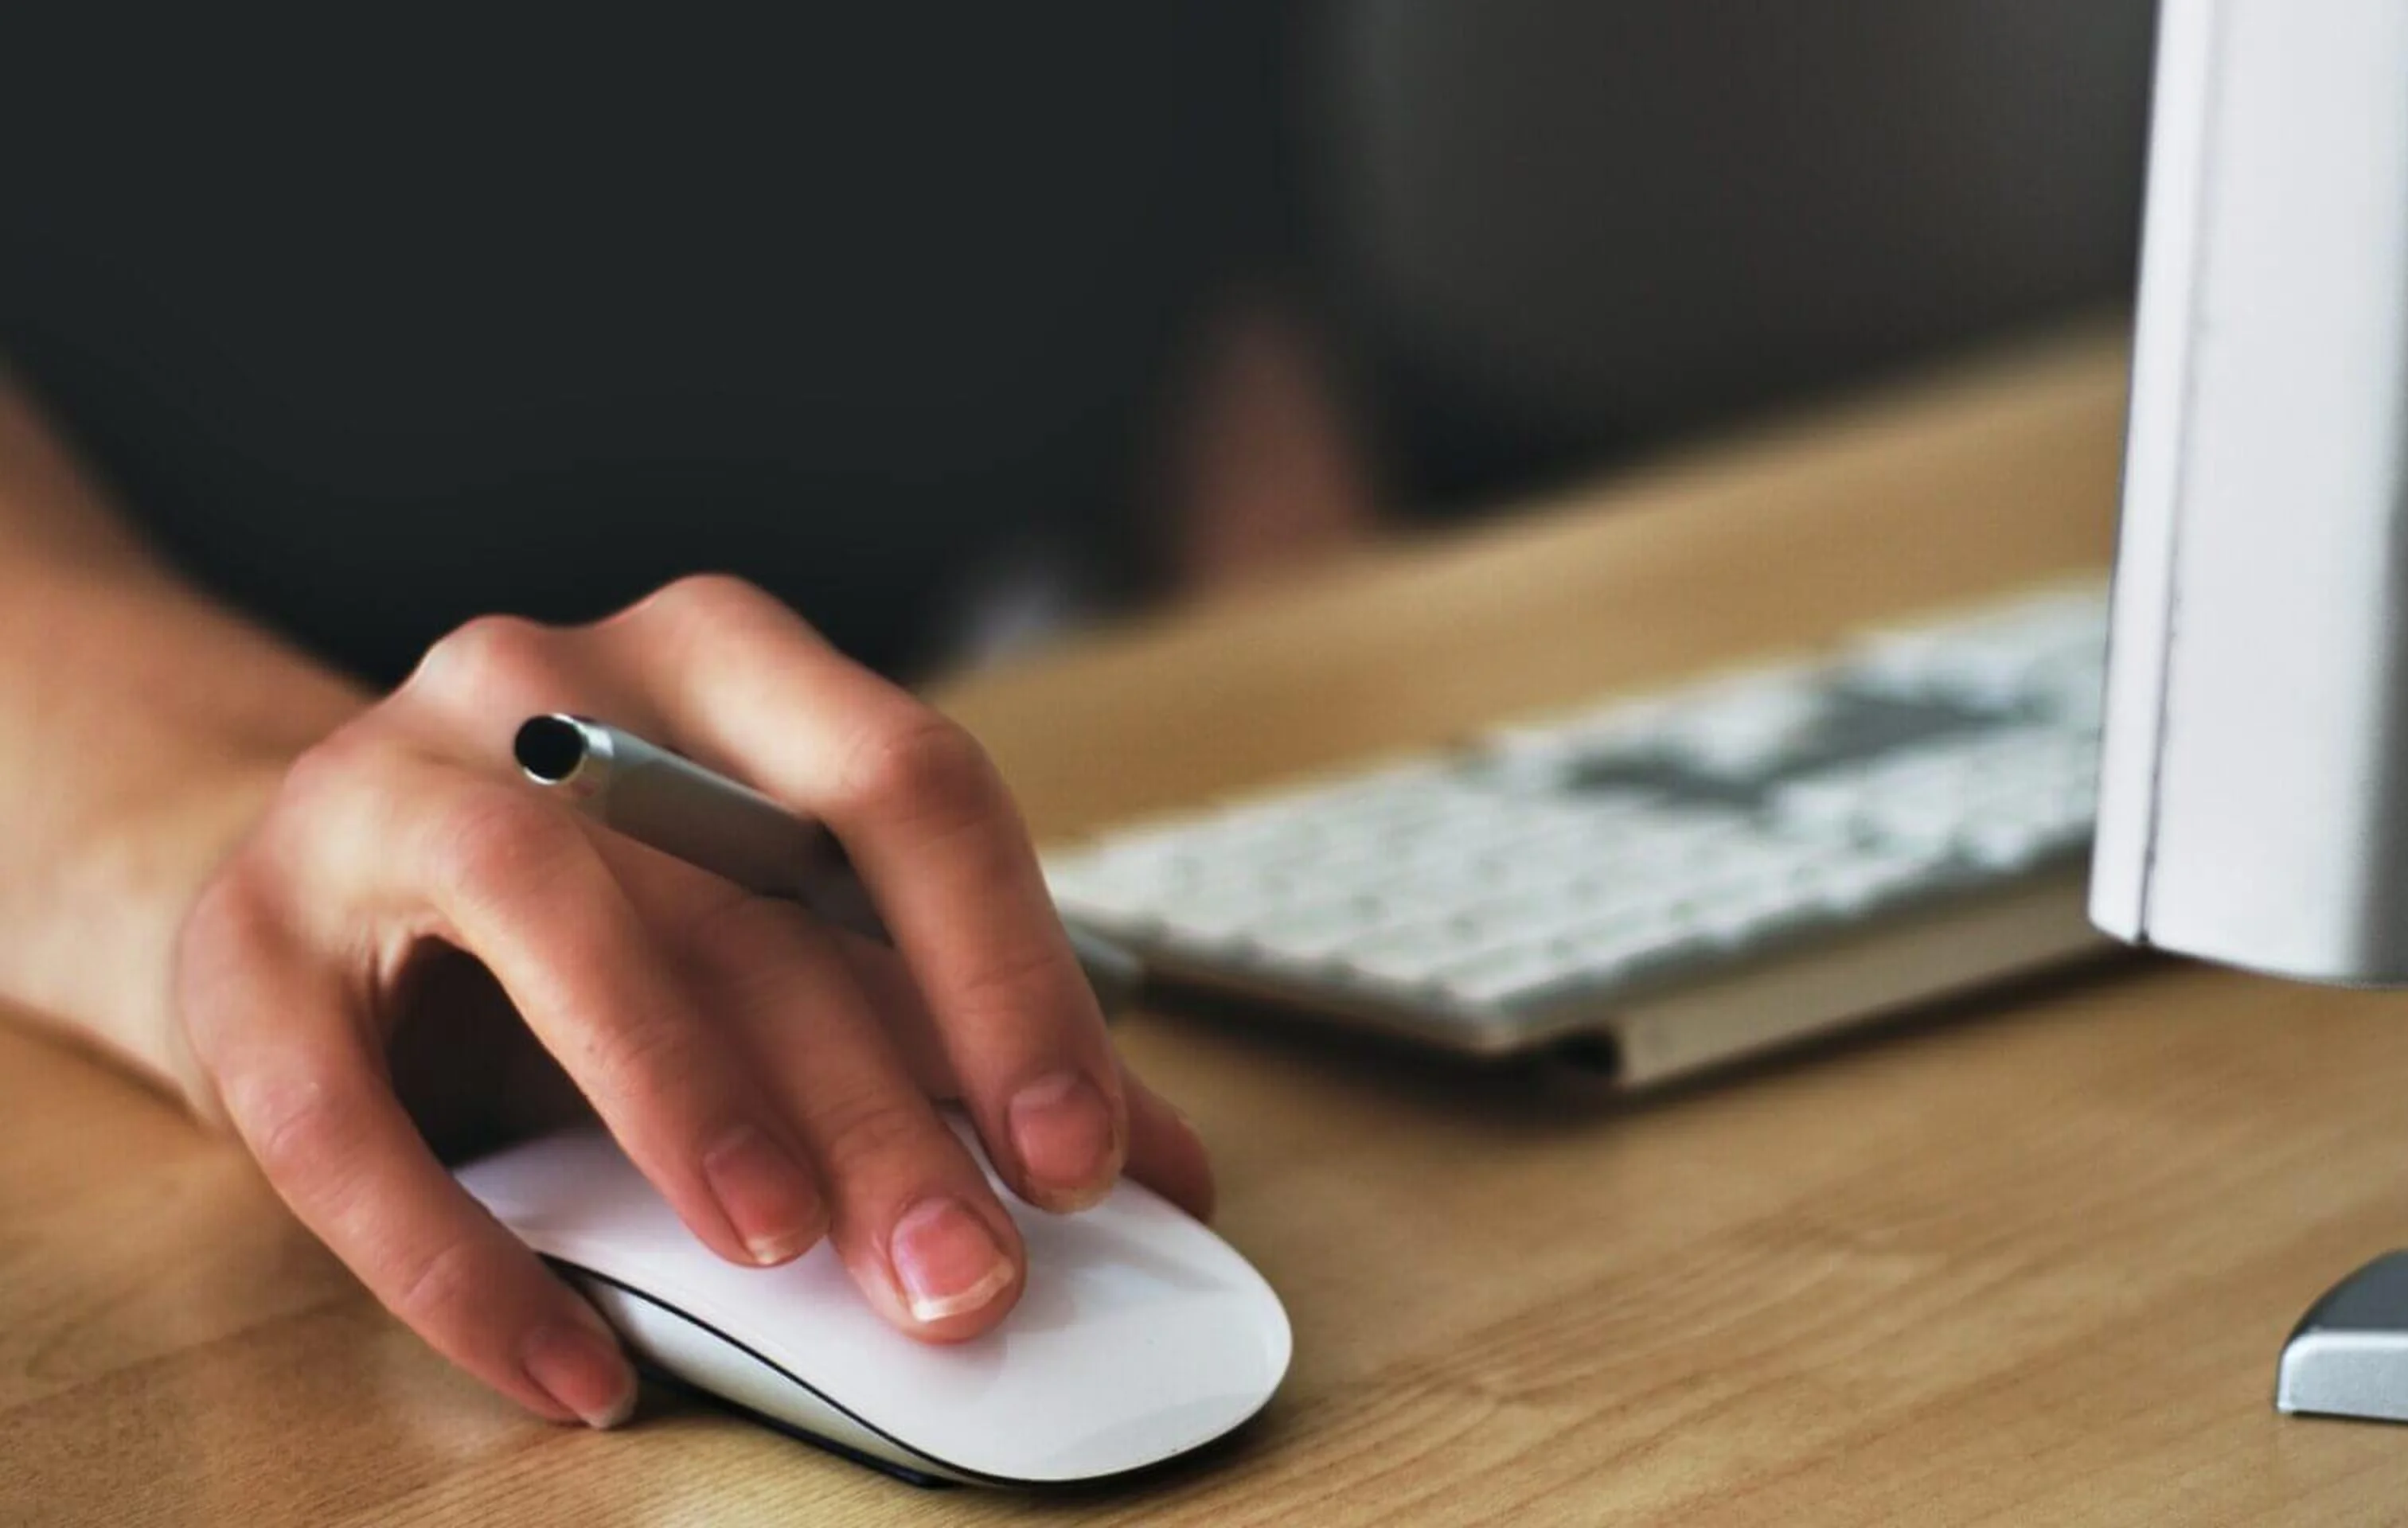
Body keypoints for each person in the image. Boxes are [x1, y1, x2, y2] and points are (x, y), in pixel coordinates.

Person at [0, 1, 2154, 1441]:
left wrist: (1339, 805)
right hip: (257, 672)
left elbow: (1213, 252)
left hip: (1014, 688)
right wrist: (223, 839)